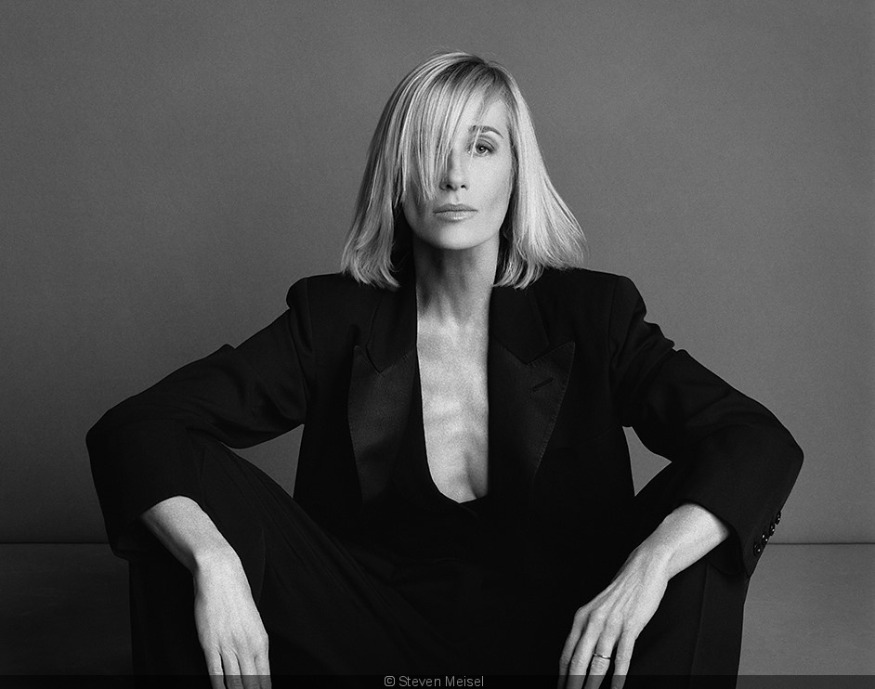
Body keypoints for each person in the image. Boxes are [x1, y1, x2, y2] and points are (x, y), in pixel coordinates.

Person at [87, 51, 803, 687]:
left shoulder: (594, 314)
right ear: (396, 175)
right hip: (361, 641)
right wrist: (213, 560)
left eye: (482, 146)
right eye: (431, 149)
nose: (454, 176)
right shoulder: (332, 317)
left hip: (561, 641)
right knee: (174, 509)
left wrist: (648, 566)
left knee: (701, 530)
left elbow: (755, 440)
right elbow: (136, 429)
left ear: (517, 170)